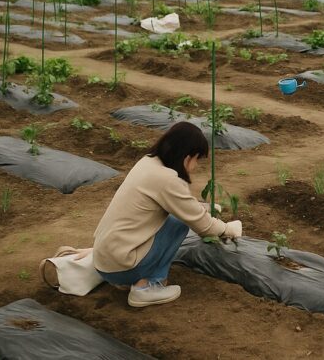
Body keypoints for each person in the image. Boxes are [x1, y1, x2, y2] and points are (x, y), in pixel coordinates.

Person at [93, 121, 242, 307]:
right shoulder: (167, 179)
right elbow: (203, 226)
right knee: (178, 223)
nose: (195, 166)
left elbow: (178, 203)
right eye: (197, 159)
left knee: (175, 217)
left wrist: (200, 207)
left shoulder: (148, 162)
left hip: (105, 261)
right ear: (187, 157)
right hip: (121, 266)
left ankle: (132, 278)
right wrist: (228, 228)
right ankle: (147, 287)